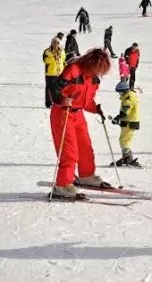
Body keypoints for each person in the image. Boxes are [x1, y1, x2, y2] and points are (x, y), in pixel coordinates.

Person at [48, 48, 111, 199]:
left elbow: (86, 101)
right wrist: (62, 100)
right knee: (70, 152)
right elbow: (53, 90)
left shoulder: (94, 79)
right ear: (91, 63)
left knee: (85, 147)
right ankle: (62, 185)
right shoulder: (74, 70)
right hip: (63, 113)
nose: (99, 72)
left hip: (78, 115)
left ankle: (86, 175)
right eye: (98, 68)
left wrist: (95, 108)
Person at [110, 80, 141, 166]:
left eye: (119, 92)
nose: (119, 94)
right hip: (129, 121)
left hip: (130, 122)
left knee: (125, 139)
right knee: (124, 139)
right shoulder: (129, 96)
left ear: (123, 91)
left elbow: (126, 110)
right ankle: (126, 156)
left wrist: (118, 117)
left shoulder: (129, 97)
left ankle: (127, 157)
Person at [43, 37, 66, 108]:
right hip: (51, 73)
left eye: (57, 43)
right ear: (52, 43)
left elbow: (63, 60)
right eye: (54, 43)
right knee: (49, 88)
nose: (56, 44)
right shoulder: (47, 51)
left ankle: (58, 102)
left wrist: (64, 66)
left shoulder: (62, 51)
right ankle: (48, 103)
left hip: (60, 72)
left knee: (59, 88)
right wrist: (54, 57)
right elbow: (45, 60)